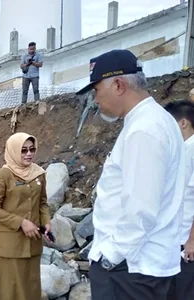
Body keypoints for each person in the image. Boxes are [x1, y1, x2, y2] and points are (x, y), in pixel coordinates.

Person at [75, 49, 185, 300]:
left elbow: (141, 207)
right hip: (140, 266)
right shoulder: (155, 121)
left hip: (130, 270)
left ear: (118, 84)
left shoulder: (144, 129)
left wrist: (110, 257)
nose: (95, 99)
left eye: (97, 89)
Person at [0, 132, 52, 300]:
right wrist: (21, 222)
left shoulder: (39, 174)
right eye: (23, 150)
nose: (29, 154)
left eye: (32, 149)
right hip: (10, 245)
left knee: (31, 288)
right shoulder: (3, 175)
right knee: (9, 291)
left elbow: (42, 203)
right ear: (14, 151)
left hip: (33, 242)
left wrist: (46, 222)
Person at [163, 99, 194, 300]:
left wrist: (192, 240)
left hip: (187, 244)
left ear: (183, 123)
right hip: (175, 242)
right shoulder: (182, 151)